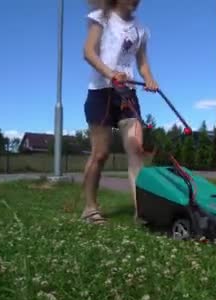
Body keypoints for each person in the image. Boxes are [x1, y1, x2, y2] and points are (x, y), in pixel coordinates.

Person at [81, 0, 158, 224]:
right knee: (100, 154)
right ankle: (90, 208)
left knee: (136, 149)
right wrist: (110, 72)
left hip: (127, 94)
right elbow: (88, 52)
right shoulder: (100, 17)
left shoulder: (141, 30)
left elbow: (142, 63)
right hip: (101, 93)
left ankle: (140, 211)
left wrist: (149, 79)